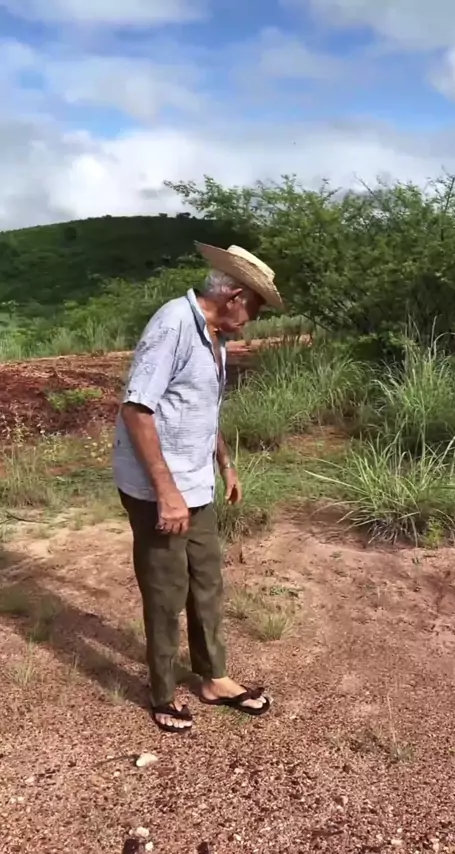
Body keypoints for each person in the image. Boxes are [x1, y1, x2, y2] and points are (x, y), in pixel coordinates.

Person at [113, 242, 284, 733]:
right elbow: (137, 409)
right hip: (158, 488)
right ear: (234, 296)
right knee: (167, 591)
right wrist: (166, 493)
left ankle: (214, 678)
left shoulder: (215, 337)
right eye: (254, 309)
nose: (252, 320)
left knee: (207, 581)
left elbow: (203, 408)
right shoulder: (173, 325)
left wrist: (225, 464)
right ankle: (163, 694)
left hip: (196, 482)